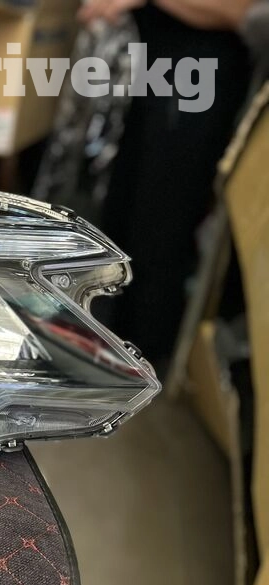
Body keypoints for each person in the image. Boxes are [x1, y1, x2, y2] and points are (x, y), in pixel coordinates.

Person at [78, 0, 254, 370]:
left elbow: (242, 12)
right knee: (120, 213)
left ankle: (142, 357)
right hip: (151, 73)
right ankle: (104, 343)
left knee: (161, 221)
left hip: (199, 78)